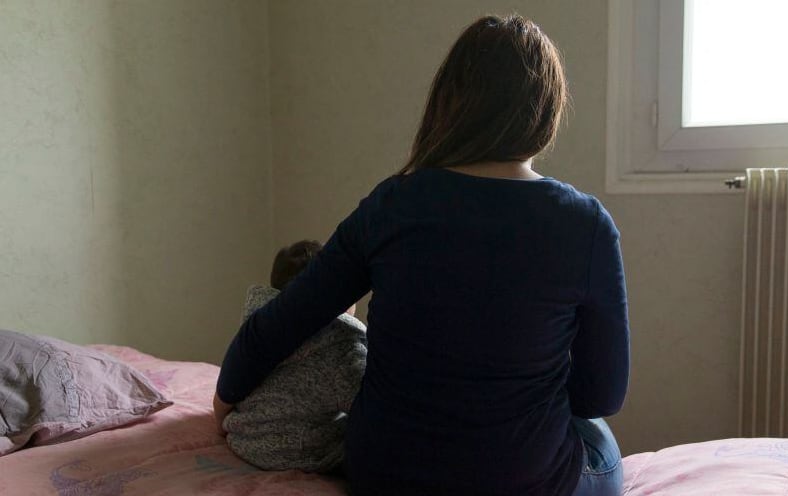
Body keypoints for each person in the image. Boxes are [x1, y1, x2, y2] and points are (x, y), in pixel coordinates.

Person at [215, 14, 629, 496]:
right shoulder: (585, 224)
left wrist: (222, 407)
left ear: (449, 105)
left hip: (385, 474)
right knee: (598, 434)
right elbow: (603, 393)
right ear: (545, 111)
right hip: (520, 480)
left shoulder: (392, 205)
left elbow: (281, 321)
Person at [221, 240, 366, 473]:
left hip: (245, 441)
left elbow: (230, 383)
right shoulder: (341, 347)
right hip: (300, 454)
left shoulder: (257, 329)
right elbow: (370, 405)